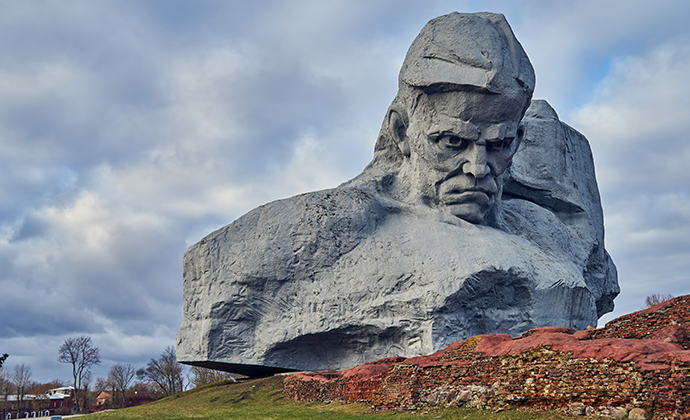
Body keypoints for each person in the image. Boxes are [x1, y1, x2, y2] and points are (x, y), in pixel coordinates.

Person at [177, 12, 618, 377]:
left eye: (498, 144)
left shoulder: (542, 231)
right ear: (403, 131)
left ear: (517, 141)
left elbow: (594, 267)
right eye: (452, 142)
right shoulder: (333, 223)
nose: (478, 168)